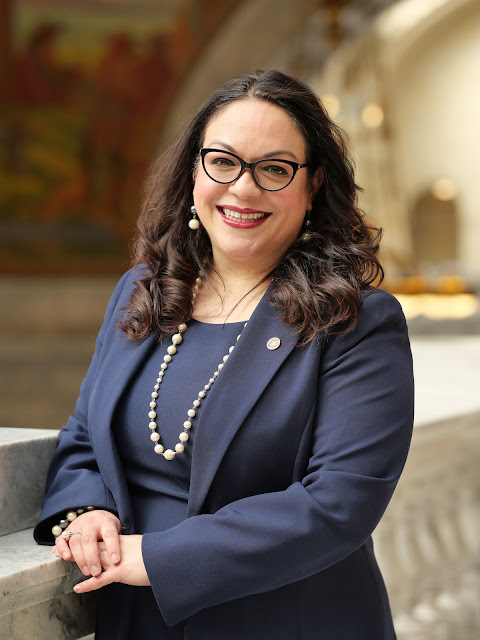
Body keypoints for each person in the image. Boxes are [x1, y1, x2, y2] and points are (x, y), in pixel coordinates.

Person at [34, 69, 414, 639]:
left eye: (275, 169)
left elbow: (339, 503)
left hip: (286, 622)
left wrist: (158, 559)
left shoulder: (356, 321)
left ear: (312, 188)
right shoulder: (145, 289)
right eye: (223, 161)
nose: (243, 188)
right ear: (194, 172)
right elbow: (86, 437)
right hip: (136, 619)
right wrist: (86, 511)